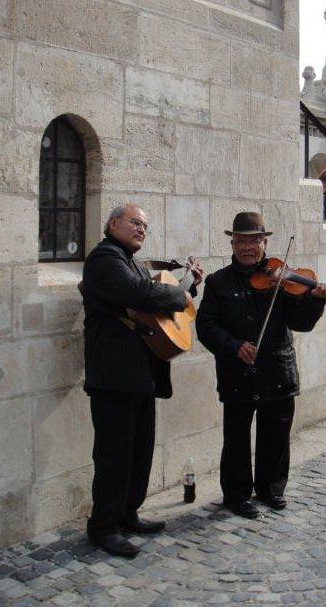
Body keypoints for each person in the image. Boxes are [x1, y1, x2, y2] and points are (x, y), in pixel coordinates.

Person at [195, 212, 326, 519]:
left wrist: (317, 300)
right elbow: (205, 325)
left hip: (276, 369)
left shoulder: (282, 278)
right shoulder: (217, 282)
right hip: (238, 372)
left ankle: (272, 489)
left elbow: (301, 323)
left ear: (265, 242)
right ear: (232, 243)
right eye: (242, 240)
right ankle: (237, 495)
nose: (248, 247)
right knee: (236, 439)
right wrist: (233, 346)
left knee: (276, 433)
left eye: (254, 240)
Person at [81, 203, 202, 557]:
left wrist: (187, 287)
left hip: (140, 373)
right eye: (135, 223)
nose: (141, 230)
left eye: (145, 226)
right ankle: (103, 527)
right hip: (113, 376)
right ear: (113, 223)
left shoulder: (130, 261)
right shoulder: (105, 259)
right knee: (114, 455)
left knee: (138, 452)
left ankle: (128, 514)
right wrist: (179, 295)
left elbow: (154, 306)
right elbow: (142, 295)